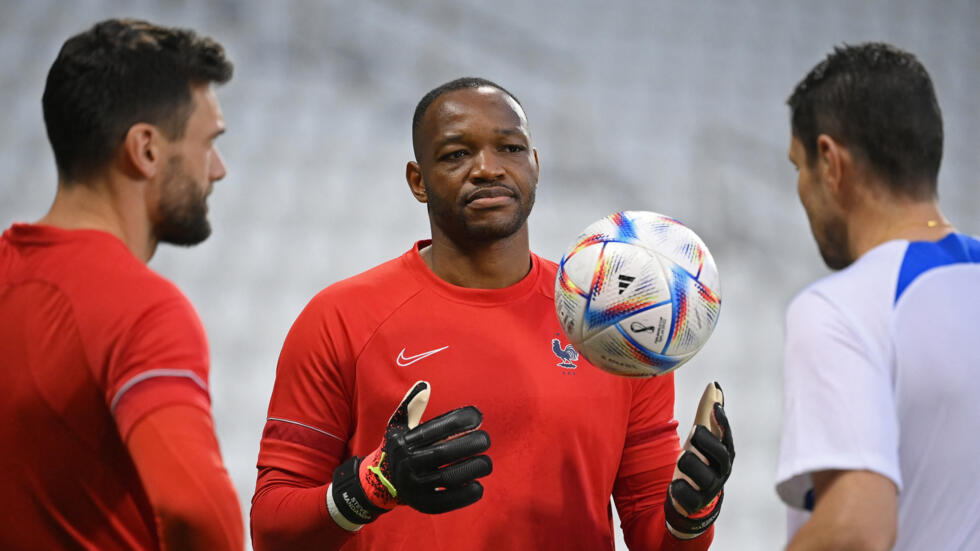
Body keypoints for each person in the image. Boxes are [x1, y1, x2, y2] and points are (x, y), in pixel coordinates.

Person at [250, 77, 734, 550]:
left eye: (510, 148)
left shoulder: (617, 325)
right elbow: (272, 527)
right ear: (418, 181)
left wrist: (692, 513)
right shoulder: (340, 317)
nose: (488, 169)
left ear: (536, 165)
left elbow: (655, 532)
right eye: (457, 154)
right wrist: (370, 489)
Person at [0, 18, 243, 550]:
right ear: (147, 150)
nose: (218, 170)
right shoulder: (142, 310)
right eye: (209, 144)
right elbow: (195, 509)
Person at [776, 43, 980, 550]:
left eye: (798, 166)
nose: (801, 188)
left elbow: (856, 530)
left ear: (830, 161)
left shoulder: (841, 309)